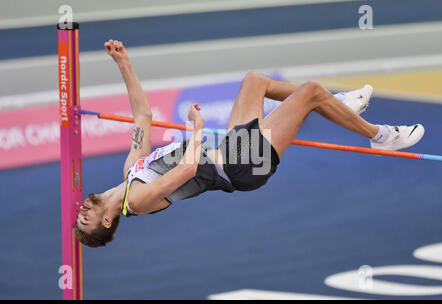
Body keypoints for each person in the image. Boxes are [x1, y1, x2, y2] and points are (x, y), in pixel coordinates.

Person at [74, 40, 425, 248]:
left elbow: (142, 116)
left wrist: (124, 64)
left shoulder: (130, 172)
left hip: (234, 150)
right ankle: (381, 136)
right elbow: (188, 168)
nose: (82, 213)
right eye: (86, 221)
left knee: (255, 81)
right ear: (106, 222)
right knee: (310, 93)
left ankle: (341, 104)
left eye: (79, 216)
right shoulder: (136, 201)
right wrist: (197, 128)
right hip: (241, 166)